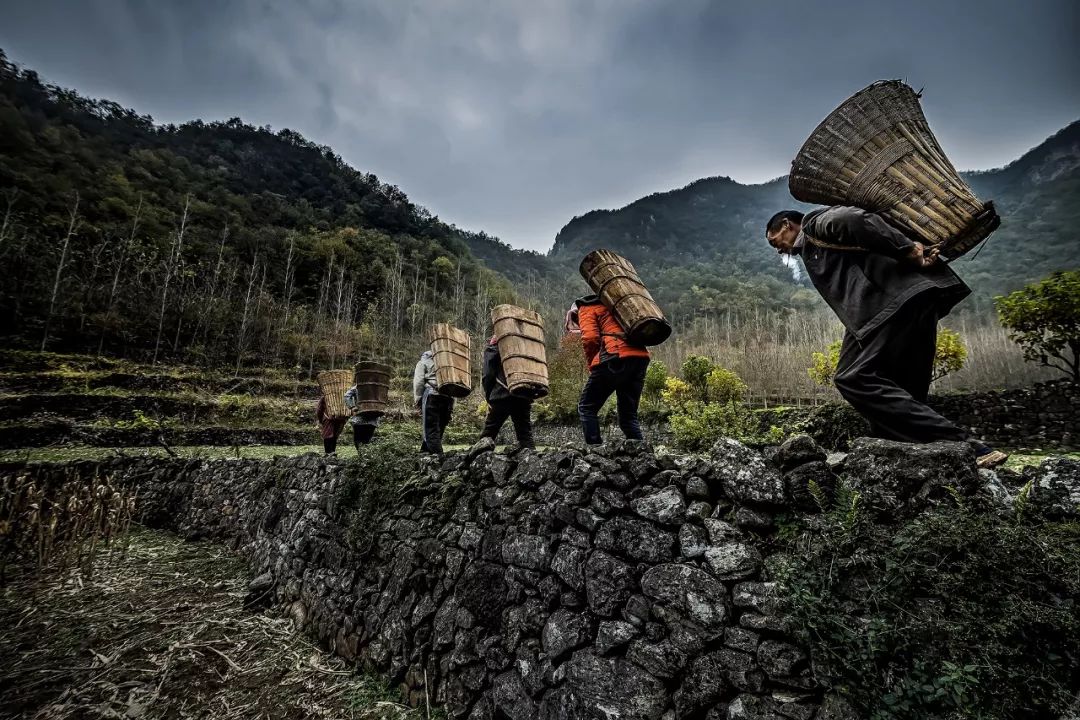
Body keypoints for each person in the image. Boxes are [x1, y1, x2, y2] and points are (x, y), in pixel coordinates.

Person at [765, 206, 1008, 468]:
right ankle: (911, 461)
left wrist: (910, 251)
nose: (777, 249)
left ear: (787, 225)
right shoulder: (812, 248)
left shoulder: (815, 224)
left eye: (774, 241)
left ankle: (965, 445)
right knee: (904, 389)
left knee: (853, 377)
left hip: (888, 303)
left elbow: (854, 218)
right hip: (906, 302)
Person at [576, 294, 650, 445]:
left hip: (613, 356)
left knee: (587, 407)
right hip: (640, 358)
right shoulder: (618, 303)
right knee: (628, 416)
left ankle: (595, 452)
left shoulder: (586, 307)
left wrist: (593, 364)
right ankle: (644, 457)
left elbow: (590, 338)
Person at [474, 335, 535, 451]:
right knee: (525, 435)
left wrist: (489, 396)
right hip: (523, 394)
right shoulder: (526, 345)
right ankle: (533, 464)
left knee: (489, 433)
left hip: (501, 394)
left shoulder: (495, 346)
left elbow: (488, 374)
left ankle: (476, 463)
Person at [413, 349, 454, 455]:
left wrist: (418, 399)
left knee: (431, 430)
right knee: (438, 429)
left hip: (432, 396)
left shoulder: (423, 362)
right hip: (448, 398)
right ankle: (424, 453)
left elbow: (418, 382)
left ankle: (440, 459)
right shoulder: (447, 364)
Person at [343, 384, 381, 452]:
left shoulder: (358, 386)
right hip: (372, 420)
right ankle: (365, 456)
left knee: (358, 440)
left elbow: (347, 395)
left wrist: (352, 406)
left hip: (359, 419)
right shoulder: (377, 387)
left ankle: (361, 455)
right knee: (367, 440)